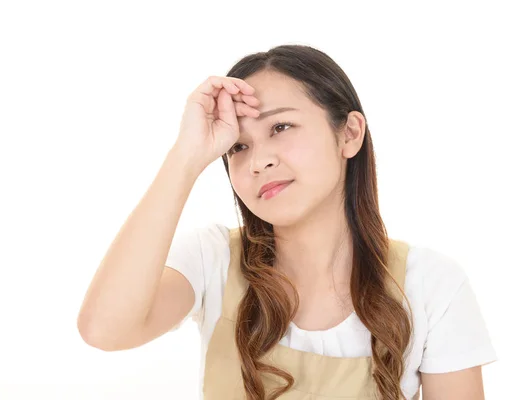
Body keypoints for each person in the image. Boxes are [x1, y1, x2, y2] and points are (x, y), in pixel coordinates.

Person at [77, 45, 497, 400]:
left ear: (349, 133)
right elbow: (104, 330)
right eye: (239, 146)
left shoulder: (431, 284)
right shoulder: (212, 259)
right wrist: (187, 156)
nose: (260, 160)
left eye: (281, 126)